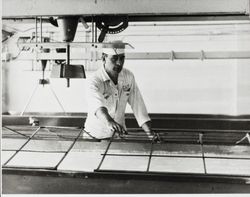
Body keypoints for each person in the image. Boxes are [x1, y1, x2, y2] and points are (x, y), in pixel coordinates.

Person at [84, 40, 154, 140]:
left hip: (119, 135)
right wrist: (109, 121)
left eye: (122, 58)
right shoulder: (94, 80)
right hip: (95, 136)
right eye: (114, 58)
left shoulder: (128, 76)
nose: (119, 63)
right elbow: (98, 107)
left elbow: (138, 106)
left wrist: (149, 133)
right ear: (104, 58)